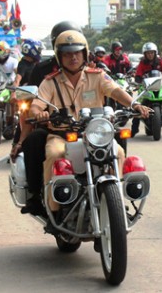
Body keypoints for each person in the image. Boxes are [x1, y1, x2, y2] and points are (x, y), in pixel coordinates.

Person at [27, 30, 150, 218]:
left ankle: (116, 203)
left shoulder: (98, 76)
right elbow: (36, 105)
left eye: (77, 52)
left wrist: (135, 104)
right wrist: (40, 114)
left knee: (117, 152)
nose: (73, 57)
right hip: (61, 136)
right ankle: (54, 209)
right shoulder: (50, 82)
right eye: (67, 54)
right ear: (59, 57)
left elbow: (116, 92)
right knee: (54, 154)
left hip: (95, 135)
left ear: (84, 53)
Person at [10, 21, 83, 216]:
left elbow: (111, 96)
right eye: (66, 50)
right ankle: (36, 195)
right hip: (54, 127)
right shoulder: (43, 73)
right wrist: (20, 140)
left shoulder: (95, 70)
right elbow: (31, 105)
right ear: (56, 48)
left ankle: (114, 190)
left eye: (76, 49)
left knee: (117, 136)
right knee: (34, 142)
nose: (72, 55)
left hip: (88, 126)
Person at [131, 42, 162, 137]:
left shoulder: (160, 61)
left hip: (159, 86)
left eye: (152, 52)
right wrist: (138, 81)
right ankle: (134, 130)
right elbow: (138, 75)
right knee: (137, 107)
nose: (150, 55)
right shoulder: (142, 63)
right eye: (148, 53)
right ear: (145, 54)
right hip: (146, 87)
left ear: (155, 53)